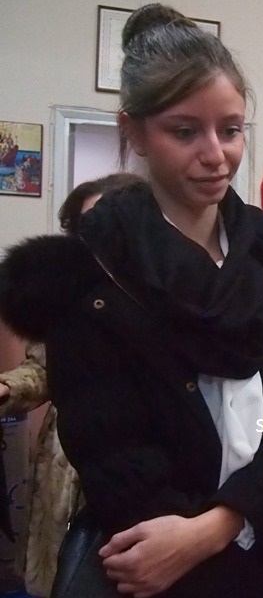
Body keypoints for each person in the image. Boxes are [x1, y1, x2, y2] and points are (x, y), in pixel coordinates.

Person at [0, 4, 263, 598]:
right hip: (157, 561)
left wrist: (220, 525)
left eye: (230, 129)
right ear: (134, 132)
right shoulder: (89, 273)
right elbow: (115, 457)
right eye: (184, 131)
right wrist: (200, 543)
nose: (215, 154)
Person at [0, 172, 141, 597]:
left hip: (143, 469)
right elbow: (40, 369)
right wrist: (7, 388)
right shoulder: (66, 295)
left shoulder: (171, 288)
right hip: (68, 462)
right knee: (68, 574)